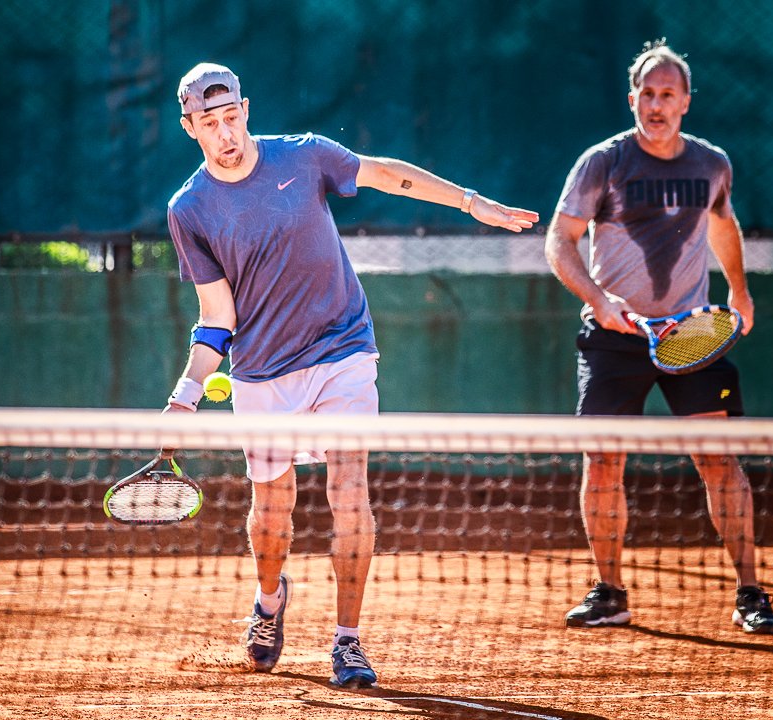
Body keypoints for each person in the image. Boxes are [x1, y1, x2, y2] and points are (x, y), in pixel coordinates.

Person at [162, 62, 539, 686]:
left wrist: (472, 202)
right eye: (210, 123)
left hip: (344, 348)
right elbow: (217, 315)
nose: (226, 134)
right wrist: (185, 395)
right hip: (261, 372)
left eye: (232, 118)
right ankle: (268, 599)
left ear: (246, 110)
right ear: (190, 128)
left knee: (349, 492)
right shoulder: (190, 209)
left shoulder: (307, 158)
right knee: (272, 512)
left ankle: (348, 640)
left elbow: (388, 174)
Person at [544, 40, 773, 634]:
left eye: (667, 95)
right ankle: (609, 591)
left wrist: (740, 291)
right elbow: (559, 241)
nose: (655, 105)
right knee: (602, 462)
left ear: (685, 103)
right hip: (612, 337)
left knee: (718, 461)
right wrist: (600, 303)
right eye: (646, 94)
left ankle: (751, 591)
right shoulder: (603, 161)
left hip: (691, 334)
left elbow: (723, 224)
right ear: (632, 99)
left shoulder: (711, 164)